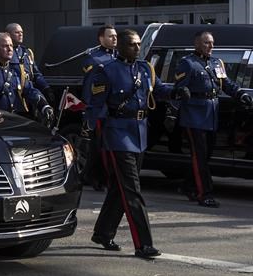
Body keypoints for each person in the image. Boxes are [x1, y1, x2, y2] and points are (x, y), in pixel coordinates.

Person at [89, 29, 176, 258]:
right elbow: (95, 105)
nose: (137, 48)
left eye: (139, 44)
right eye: (132, 45)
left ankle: (103, 232)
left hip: (139, 134)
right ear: (120, 47)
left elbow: (159, 91)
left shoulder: (145, 69)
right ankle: (143, 244)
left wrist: (178, 91)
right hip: (117, 135)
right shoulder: (106, 71)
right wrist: (93, 134)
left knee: (120, 188)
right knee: (132, 191)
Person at [172, 31, 252, 208]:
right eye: (207, 43)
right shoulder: (188, 63)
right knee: (199, 157)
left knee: (205, 156)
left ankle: (188, 185)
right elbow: (179, 88)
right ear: (197, 44)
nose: (211, 46)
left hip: (211, 115)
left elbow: (226, 83)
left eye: (212, 43)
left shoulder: (217, 63)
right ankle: (204, 194)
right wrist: (182, 92)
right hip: (194, 116)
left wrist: (239, 93)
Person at [0, 32, 53, 126]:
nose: (10, 49)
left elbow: (29, 90)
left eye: (11, 45)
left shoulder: (15, 70)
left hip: (14, 124)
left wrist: (44, 106)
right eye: (5, 46)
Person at [79, 26, 118, 191]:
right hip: (100, 110)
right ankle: (99, 178)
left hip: (115, 110)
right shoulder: (94, 59)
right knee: (101, 147)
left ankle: (90, 175)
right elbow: (89, 87)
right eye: (111, 36)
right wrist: (89, 111)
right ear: (101, 39)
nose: (115, 39)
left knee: (107, 146)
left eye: (116, 36)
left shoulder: (119, 57)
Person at [6, 23, 51, 96]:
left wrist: (46, 87)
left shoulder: (27, 52)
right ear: (8, 34)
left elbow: (36, 74)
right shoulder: (5, 53)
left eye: (21, 32)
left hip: (30, 92)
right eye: (17, 32)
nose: (20, 34)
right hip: (14, 93)